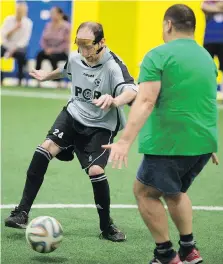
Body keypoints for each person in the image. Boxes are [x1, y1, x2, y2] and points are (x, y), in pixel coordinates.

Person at [103, 4, 218, 264]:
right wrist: (209, 143)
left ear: (168, 25)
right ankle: (188, 250)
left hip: (170, 143)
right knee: (174, 191)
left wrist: (124, 141)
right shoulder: (205, 58)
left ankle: (165, 255)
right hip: (202, 144)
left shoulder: (158, 55)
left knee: (144, 192)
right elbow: (206, 99)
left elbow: (145, 101)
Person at [4, 22, 137, 242]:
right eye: (79, 45)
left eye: (88, 46)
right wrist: (47, 76)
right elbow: (67, 69)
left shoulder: (113, 65)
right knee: (44, 149)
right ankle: (22, 212)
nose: (83, 51)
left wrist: (114, 100)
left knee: (95, 171)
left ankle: (107, 227)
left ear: (101, 42)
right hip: (73, 115)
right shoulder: (77, 57)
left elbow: (131, 90)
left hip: (100, 126)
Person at [1, 2, 33, 85]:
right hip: (6, 46)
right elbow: (4, 35)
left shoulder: (28, 23)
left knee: (22, 57)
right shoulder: (8, 20)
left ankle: (20, 80)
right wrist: (14, 29)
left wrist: (13, 50)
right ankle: (1, 78)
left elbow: (24, 40)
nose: (20, 12)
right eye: (19, 10)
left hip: (19, 48)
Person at [35, 7, 70, 74]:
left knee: (53, 57)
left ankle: (56, 77)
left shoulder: (66, 26)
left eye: (53, 13)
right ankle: (37, 75)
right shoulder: (48, 25)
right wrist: (46, 49)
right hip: (48, 50)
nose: (51, 15)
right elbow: (43, 40)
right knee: (39, 54)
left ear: (60, 14)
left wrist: (53, 50)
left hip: (61, 52)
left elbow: (65, 44)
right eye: (51, 13)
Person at [201, 0, 223, 96]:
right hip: (209, 41)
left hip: (222, 41)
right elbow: (204, 6)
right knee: (206, 68)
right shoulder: (206, 3)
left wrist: (215, 7)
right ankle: (207, 91)